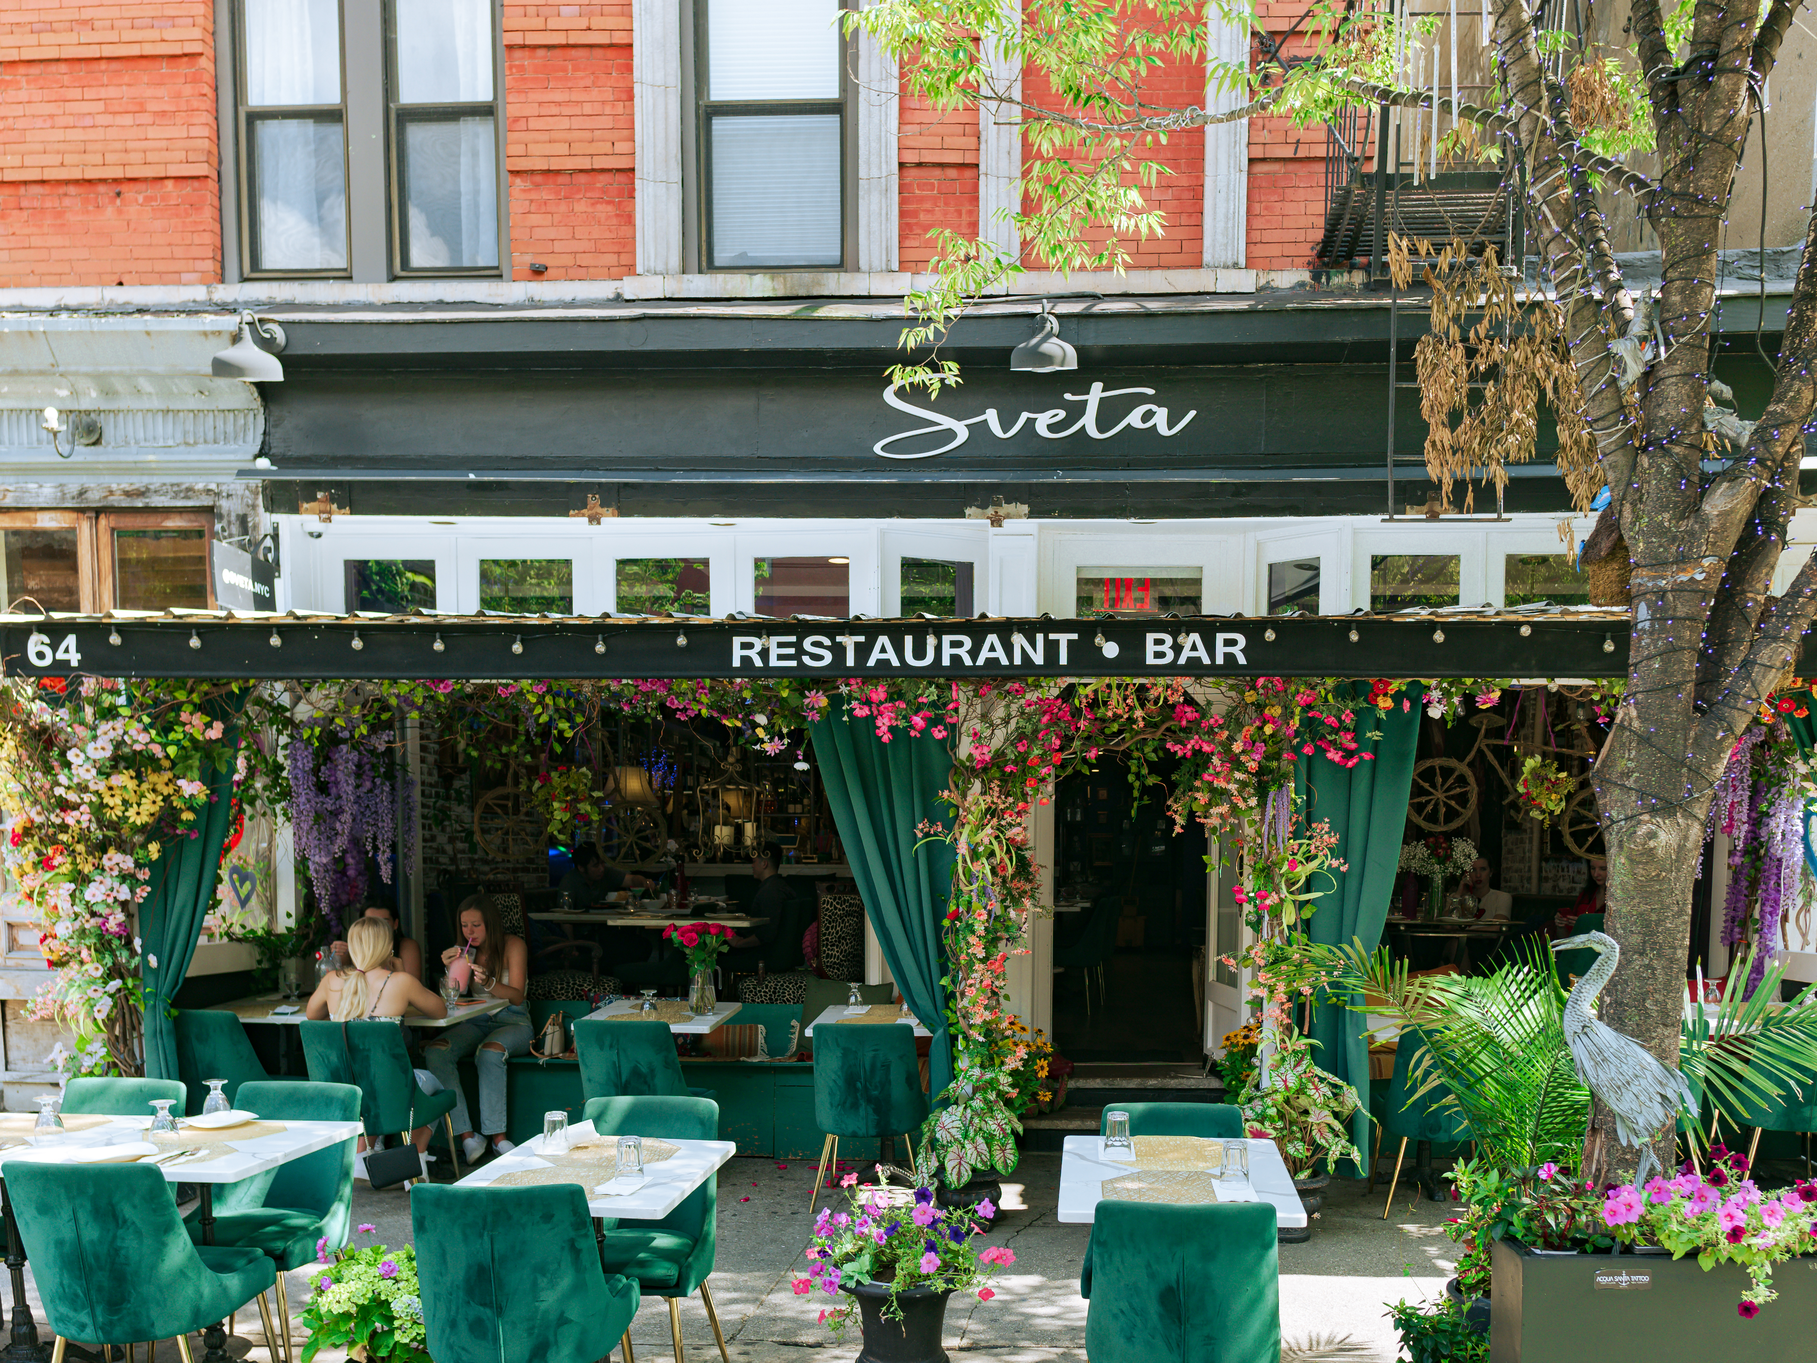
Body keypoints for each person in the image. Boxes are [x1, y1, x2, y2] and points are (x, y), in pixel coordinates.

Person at [304, 917, 448, 1165]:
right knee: (433, 1082)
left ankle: (365, 1152)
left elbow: (312, 1016)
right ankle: (414, 1155)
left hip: (345, 1092)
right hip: (391, 1092)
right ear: (387, 947)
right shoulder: (400, 981)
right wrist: (401, 973)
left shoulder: (331, 981)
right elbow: (440, 1011)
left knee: (369, 1087)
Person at [423, 893, 533, 1164]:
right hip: (475, 1020)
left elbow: (518, 996)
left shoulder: (513, 945)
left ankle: (498, 1138)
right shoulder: (464, 951)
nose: (469, 931)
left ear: (491, 924)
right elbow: (456, 995)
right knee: (436, 1051)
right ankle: (467, 1136)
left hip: (514, 1019)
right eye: (464, 925)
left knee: (490, 1052)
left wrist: (491, 982)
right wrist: (450, 968)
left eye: (476, 925)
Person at [727, 842, 810, 972]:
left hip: (764, 955)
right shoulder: (779, 887)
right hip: (777, 953)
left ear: (764, 864)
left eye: (754, 861)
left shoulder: (771, 892)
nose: (752, 866)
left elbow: (766, 934)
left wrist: (738, 943)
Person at [327, 902, 424, 982]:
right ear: (360, 926)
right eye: (370, 922)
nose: (376, 929)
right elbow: (334, 978)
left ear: (395, 924)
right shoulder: (351, 948)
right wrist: (335, 955)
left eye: (384, 922)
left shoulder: (406, 946)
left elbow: (414, 992)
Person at [558, 843, 650, 909]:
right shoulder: (569, 881)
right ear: (581, 868)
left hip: (605, 929)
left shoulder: (606, 872)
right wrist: (570, 937)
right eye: (596, 866)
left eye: (603, 863)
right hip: (581, 931)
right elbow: (564, 918)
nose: (601, 868)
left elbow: (632, 880)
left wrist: (644, 882)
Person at [1553, 856, 1607, 938]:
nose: (1596, 874)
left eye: (1603, 869)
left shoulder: (1619, 899)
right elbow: (1566, 938)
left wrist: (1586, 925)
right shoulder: (1587, 894)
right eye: (1592, 868)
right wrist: (1561, 926)